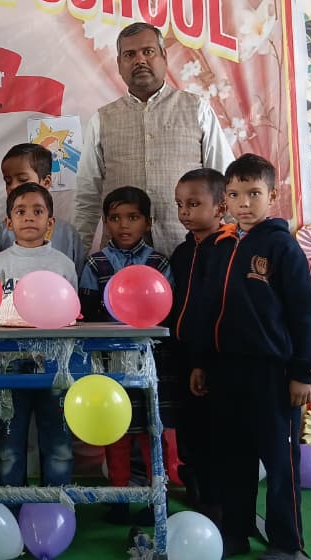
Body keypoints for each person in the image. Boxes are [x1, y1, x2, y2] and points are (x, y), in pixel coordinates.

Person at [181, 154, 311, 560]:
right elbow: (206, 310)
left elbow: (306, 313)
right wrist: (201, 362)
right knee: (233, 459)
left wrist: (302, 372)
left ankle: (286, 544)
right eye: (234, 194)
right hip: (226, 372)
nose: (243, 203)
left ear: (272, 196)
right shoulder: (220, 247)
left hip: (273, 375)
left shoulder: (283, 247)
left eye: (253, 193)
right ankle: (235, 532)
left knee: (281, 463)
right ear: (225, 199)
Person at [75, 22, 234, 256]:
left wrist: (239, 246)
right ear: (119, 64)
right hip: (120, 259)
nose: (140, 60)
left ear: (164, 57)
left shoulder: (197, 109)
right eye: (130, 55)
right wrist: (77, 257)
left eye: (148, 51)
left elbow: (226, 182)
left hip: (191, 254)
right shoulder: (101, 119)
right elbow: (87, 197)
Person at [77, 186, 174, 525]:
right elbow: (87, 313)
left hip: (150, 361)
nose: (124, 225)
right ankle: (118, 497)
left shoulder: (159, 263)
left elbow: (168, 311)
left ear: (148, 222)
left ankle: (156, 498)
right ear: (105, 222)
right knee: (114, 429)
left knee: (151, 430)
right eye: (115, 218)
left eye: (133, 217)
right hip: (109, 362)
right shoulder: (95, 263)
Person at [0, 182, 78, 488]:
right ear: (8, 222)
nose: (29, 217)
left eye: (38, 211)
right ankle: (11, 508)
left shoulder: (63, 264)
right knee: (9, 445)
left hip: (55, 363)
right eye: (21, 211)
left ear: (50, 222)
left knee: (58, 443)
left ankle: (58, 503)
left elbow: (72, 314)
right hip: (9, 364)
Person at [169, 168, 228, 519]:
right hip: (182, 353)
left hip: (214, 358)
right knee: (188, 426)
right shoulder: (180, 252)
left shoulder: (229, 250)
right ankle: (194, 487)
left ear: (220, 207)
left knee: (214, 429)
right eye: (179, 204)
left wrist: (203, 361)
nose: (184, 212)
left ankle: (217, 500)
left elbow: (217, 310)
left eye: (193, 204)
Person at [0, 143, 88, 275]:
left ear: (46, 182)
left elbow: (77, 278)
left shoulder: (68, 235)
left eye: (22, 179)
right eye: (8, 181)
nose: (13, 186)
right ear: (9, 224)